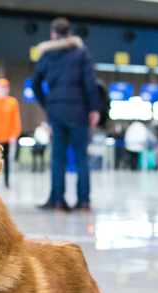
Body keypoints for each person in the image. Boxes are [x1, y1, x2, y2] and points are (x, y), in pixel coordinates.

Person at [32, 17, 101, 212]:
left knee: (57, 157)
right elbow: (90, 83)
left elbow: (35, 83)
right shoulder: (81, 53)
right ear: (69, 33)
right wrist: (94, 108)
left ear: (53, 34)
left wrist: (48, 104)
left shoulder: (46, 55)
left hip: (56, 114)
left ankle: (57, 200)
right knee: (81, 157)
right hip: (79, 113)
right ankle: (84, 201)